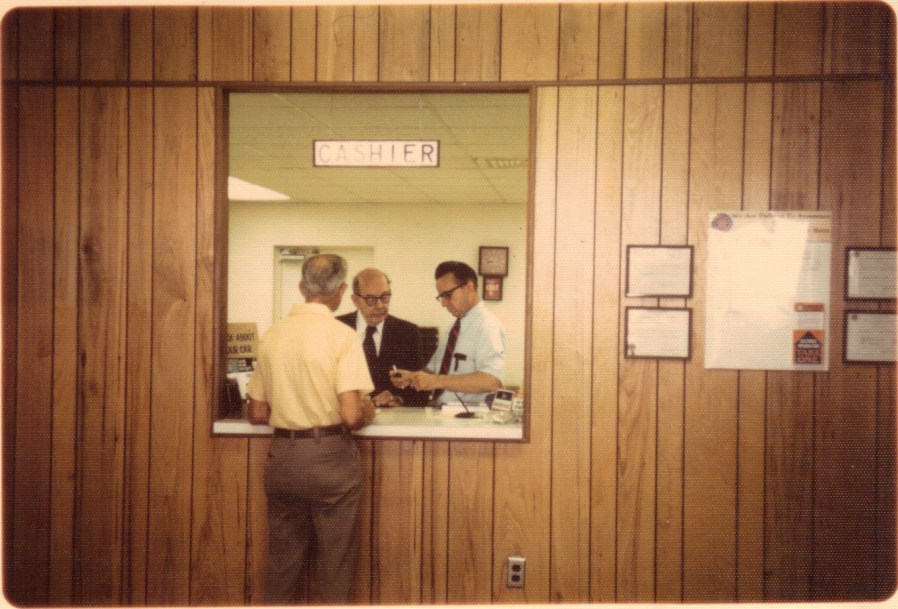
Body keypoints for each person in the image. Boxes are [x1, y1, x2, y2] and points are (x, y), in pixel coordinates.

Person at [245, 253, 376, 605]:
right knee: (335, 561)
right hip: (331, 461)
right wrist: (370, 408)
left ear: (302, 287)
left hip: (283, 459)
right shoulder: (343, 337)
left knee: (282, 563)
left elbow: (256, 412)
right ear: (342, 291)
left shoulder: (272, 335)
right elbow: (351, 416)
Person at [391, 260, 506, 404]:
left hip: (466, 420)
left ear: (468, 287)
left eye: (447, 295)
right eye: (441, 297)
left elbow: (492, 381)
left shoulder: (488, 326)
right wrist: (412, 377)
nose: (443, 303)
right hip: (442, 413)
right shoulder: (454, 326)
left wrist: (437, 381)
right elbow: (434, 371)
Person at [337, 268, 429, 406]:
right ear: (355, 300)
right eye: (371, 299)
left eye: (385, 297)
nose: (380, 306)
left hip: (392, 421)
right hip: (347, 419)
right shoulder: (337, 328)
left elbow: (421, 390)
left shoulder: (408, 332)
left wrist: (399, 399)